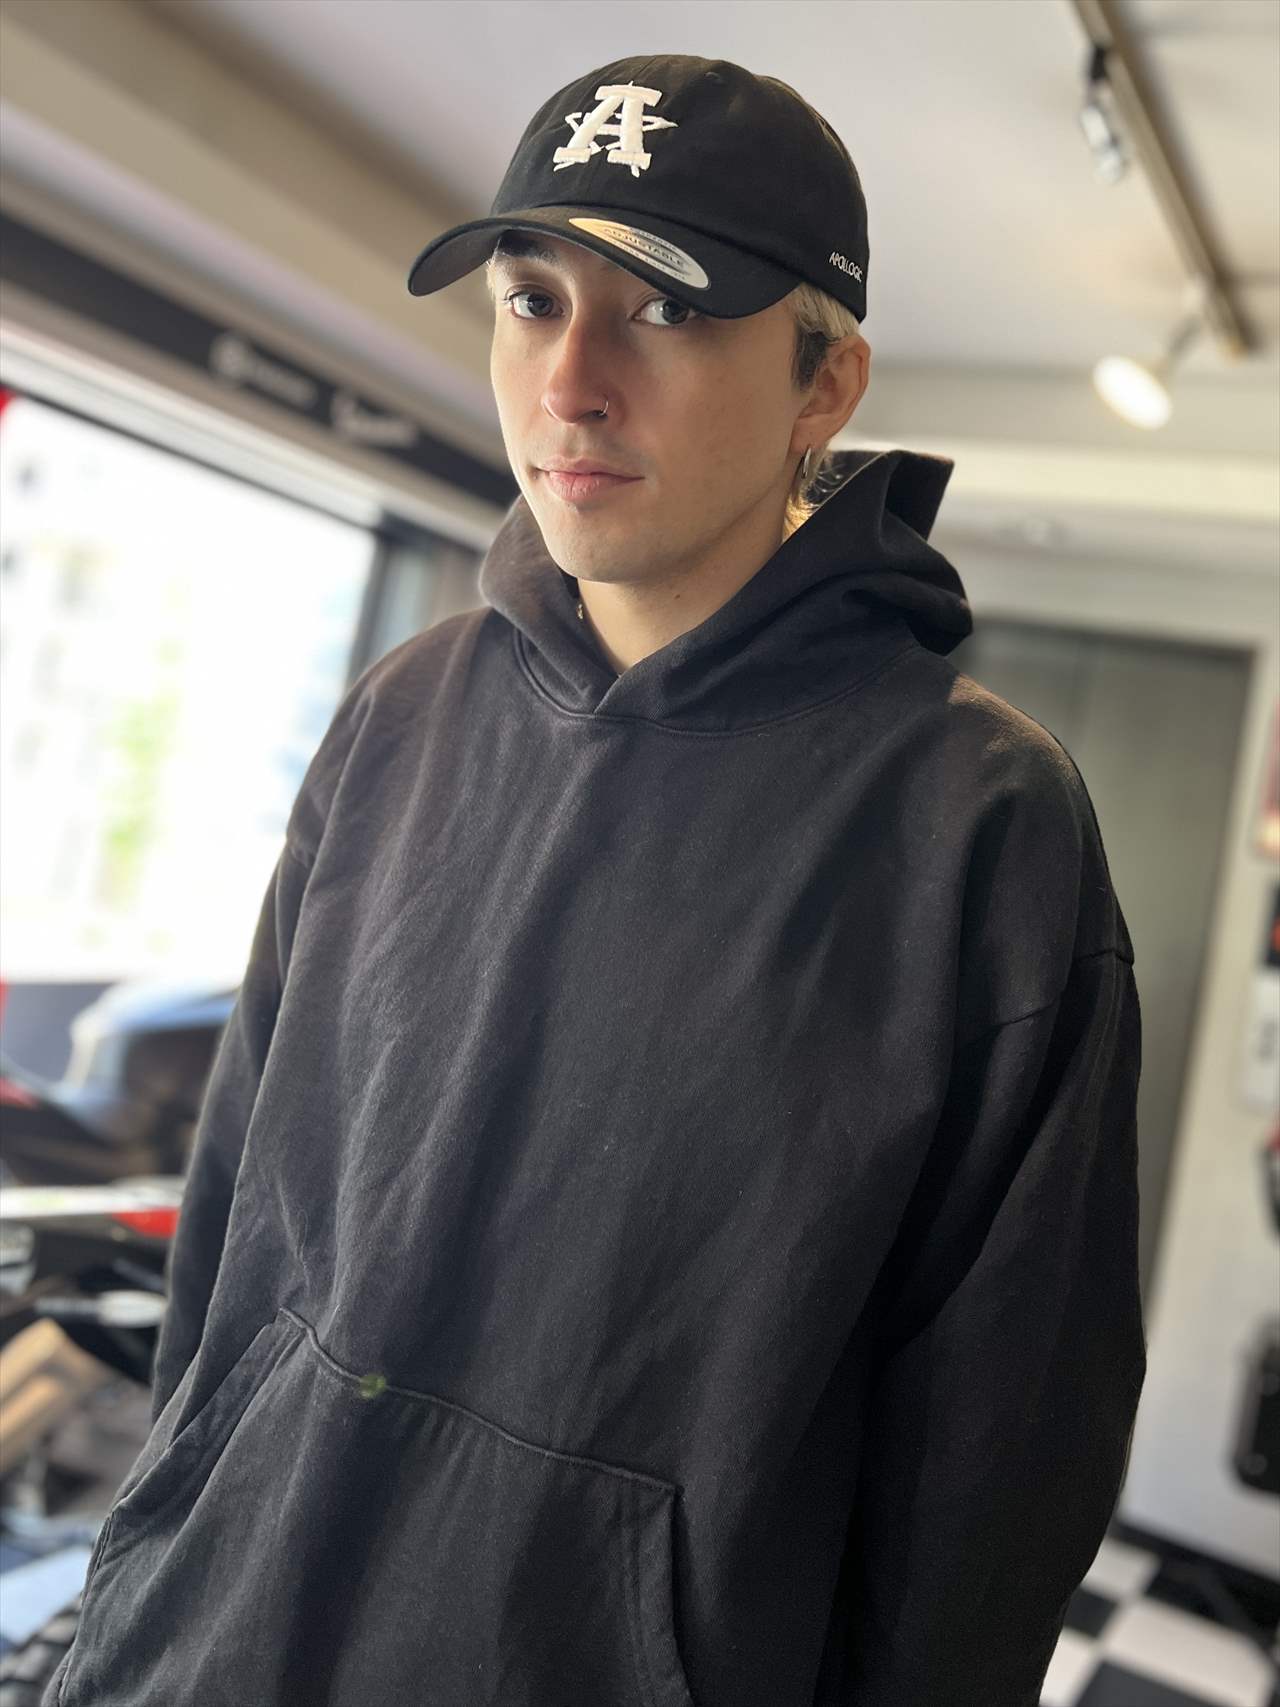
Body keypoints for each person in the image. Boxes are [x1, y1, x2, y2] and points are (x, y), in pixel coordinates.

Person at [45, 53, 1146, 1707]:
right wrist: (153, 1557)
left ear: (825, 383)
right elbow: (234, 1220)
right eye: (531, 299)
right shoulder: (402, 712)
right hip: (208, 1645)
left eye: (667, 312)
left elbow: (995, 1479)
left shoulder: (981, 826)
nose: (570, 383)